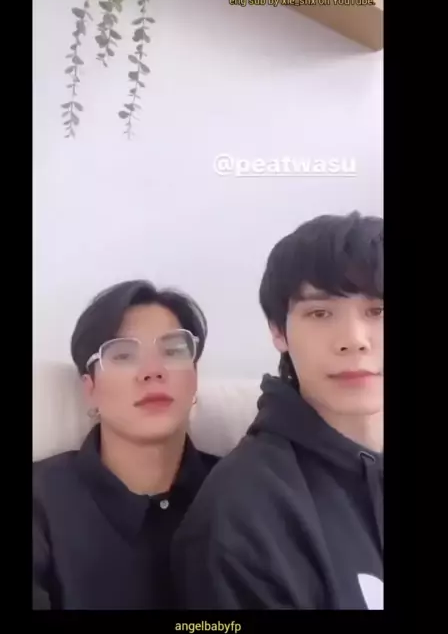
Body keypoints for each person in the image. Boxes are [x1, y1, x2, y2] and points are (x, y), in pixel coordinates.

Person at [171, 212, 384, 610]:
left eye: (378, 311)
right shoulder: (243, 513)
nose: (354, 340)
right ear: (278, 331)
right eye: (320, 313)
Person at [33, 280, 219, 609]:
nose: (153, 371)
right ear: (90, 389)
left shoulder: (244, 491)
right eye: (123, 355)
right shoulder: (41, 500)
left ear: (194, 377)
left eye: (173, 351)